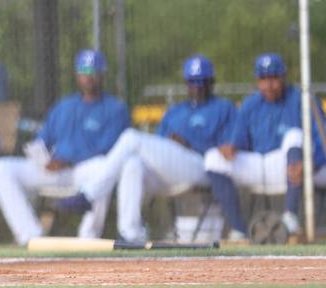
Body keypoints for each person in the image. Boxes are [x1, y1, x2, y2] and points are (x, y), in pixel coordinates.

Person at [52, 55, 236, 244]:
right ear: (186, 83)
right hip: (168, 171)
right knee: (132, 164)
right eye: (192, 81)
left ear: (211, 82)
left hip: (200, 166)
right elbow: (158, 143)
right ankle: (130, 234)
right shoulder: (176, 111)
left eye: (202, 81)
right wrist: (171, 145)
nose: (197, 86)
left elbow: (226, 150)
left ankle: (89, 194)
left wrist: (190, 144)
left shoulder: (224, 108)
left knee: (131, 138)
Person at [0, 50, 129, 245]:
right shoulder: (63, 106)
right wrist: (42, 158)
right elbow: (42, 140)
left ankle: (88, 236)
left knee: (103, 167)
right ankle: (30, 236)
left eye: (93, 71)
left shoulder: (115, 109)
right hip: (53, 170)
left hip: (83, 172)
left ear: (102, 74)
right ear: (77, 74)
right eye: (84, 71)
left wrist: (68, 161)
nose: (88, 76)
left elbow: (110, 151)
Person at [203, 53, 323, 241]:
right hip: (259, 164)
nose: (269, 84)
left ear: (283, 76)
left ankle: (290, 217)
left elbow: (322, 140)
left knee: (294, 135)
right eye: (263, 78)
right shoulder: (251, 103)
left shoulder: (302, 99)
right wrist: (232, 147)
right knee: (212, 158)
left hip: (292, 167)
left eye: (274, 78)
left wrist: (311, 164)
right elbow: (239, 139)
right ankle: (238, 229)